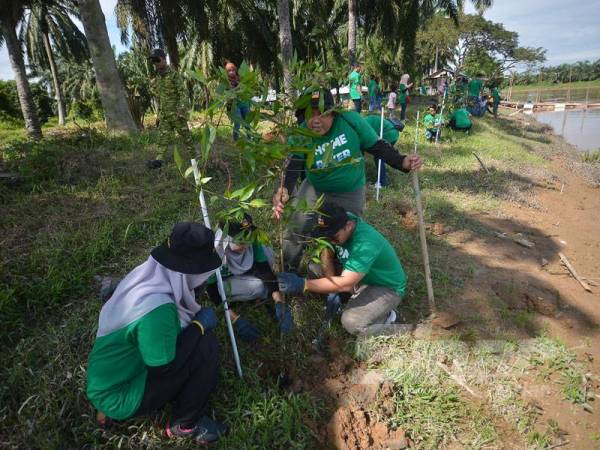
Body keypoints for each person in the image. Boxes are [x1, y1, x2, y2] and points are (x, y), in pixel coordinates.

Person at [86, 222, 228, 444]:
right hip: (120, 395)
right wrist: (198, 327)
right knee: (205, 345)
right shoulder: (158, 310)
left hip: (106, 380)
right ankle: (185, 424)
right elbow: (164, 369)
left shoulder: (145, 276)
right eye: (202, 271)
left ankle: (105, 410)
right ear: (187, 271)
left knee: (193, 337)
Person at [271, 88, 422, 271]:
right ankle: (287, 269)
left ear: (333, 113)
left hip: (350, 190)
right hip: (315, 187)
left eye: (323, 114)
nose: (316, 121)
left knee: (345, 233)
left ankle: (338, 278)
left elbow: (377, 147)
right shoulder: (302, 133)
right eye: (311, 115)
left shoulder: (351, 121)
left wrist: (402, 161)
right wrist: (284, 189)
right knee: (297, 226)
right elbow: (294, 164)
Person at [277, 203, 407, 336]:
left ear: (349, 226)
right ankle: (357, 299)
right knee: (314, 268)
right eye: (325, 236)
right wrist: (333, 290)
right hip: (359, 277)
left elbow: (346, 283)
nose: (330, 241)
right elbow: (327, 253)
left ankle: (392, 323)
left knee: (351, 322)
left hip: (385, 287)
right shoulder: (338, 221)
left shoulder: (366, 243)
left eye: (333, 236)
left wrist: (303, 284)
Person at [206, 213, 293, 341]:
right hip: (223, 283)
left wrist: (279, 301)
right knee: (258, 287)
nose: (246, 246)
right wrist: (235, 319)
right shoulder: (215, 252)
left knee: (267, 253)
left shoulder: (250, 240)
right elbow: (212, 289)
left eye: (248, 241)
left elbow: (264, 270)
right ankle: (240, 298)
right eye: (241, 243)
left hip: (244, 272)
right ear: (227, 239)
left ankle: (266, 298)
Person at [147, 49, 191, 168]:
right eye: (153, 61)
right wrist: (159, 115)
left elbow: (183, 92)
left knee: (186, 138)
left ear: (164, 59)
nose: (155, 63)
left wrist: (182, 109)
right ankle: (158, 161)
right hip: (165, 115)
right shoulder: (158, 78)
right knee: (162, 138)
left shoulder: (173, 75)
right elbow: (161, 97)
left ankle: (197, 159)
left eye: (157, 60)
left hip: (177, 114)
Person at [364, 114, 404, 187]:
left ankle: (382, 182)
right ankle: (384, 176)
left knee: (379, 156)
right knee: (382, 155)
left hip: (389, 134)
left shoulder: (361, 126)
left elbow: (367, 142)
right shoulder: (364, 121)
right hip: (393, 133)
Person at [225, 62, 251, 141]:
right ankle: (235, 139)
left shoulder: (241, 79)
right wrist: (237, 88)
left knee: (247, 122)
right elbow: (228, 93)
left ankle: (250, 138)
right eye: (229, 70)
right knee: (237, 123)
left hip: (244, 103)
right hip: (234, 105)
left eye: (233, 70)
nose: (232, 72)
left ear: (235, 70)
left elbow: (246, 89)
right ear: (226, 72)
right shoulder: (226, 81)